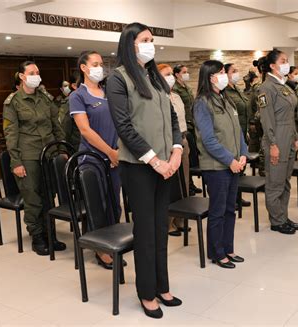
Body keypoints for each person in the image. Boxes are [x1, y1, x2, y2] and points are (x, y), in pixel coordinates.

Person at [107, 22, 182, 319]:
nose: (151, 44)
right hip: (139, 167)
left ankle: (163, 286)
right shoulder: (119, 78)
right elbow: (124, 127)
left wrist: (176, 151)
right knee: (146, 231)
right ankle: (147, 292)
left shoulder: (156, 79)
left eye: (152, 40)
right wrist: (155, 160)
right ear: (130, 44)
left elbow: (173, 120)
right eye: (145, 39)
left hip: (165, 165)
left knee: (161, 228)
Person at [3, 61, 66, 255]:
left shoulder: (45, 98)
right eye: (32, 72)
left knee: (49, 196)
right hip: (28, 155)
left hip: (48, 154)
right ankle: (37, 236)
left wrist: (61, 148)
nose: (36, 75)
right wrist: (16, 162)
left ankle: (50, 234)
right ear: (22, 76)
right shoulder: (13, 102)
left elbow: (56, 125)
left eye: (38, 72)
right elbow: (11, 134)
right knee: (33, 198)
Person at [69, 50, 123, 269]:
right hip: (93, 160)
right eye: (95, 63)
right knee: (98, 205)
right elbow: (85, 130)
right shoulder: (78, 96)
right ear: (83, 67)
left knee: (114, 203)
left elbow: (120, 122)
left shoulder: (109, 91)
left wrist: (117, 151)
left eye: (101, 63)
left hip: (115, 157)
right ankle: (100, 250)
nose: (100, 67)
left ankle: (112, 243)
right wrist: (109, 152)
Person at [194, 60, 248, 269]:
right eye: (221, 72)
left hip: (234, 163)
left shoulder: (226, 99)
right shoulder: (202, 103)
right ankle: (217, 252)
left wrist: (242, 154)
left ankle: (228, 247)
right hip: (217, 167)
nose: (224, 75)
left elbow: (238, 131)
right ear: (210, 77)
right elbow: (208, 140)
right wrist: (230, 160)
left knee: (229, 209)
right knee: (217, 211)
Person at [258, 49, 298, 235]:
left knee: (285, 181)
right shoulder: (266, 88)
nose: (286, 63)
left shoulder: (284, 86)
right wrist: (273, 144)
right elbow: (266, 119)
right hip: (276, 139)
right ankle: (276, 220)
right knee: (275, 182)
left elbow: (291, 115)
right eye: (283, 61)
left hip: (289, 137)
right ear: (273, 66)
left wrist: (296, 136)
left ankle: (283, 216)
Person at [157, 63, 191, 237]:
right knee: (170, 186)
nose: (171, 77)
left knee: (183, 183)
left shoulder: (176, 96)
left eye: (171, 74)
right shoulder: (157, 97)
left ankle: (180, 219)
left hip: (182, 141)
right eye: (166, 74)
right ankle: (168, 222)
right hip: (168, 146)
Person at [173, 64, 202, 195]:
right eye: (184, 72)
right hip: (183, 126)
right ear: (177, 74)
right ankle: (187, 185)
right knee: (185, 156)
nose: (186, 74)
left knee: (190, 156)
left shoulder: (187, 87)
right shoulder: (176, 89)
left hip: (191, 123)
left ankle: (190, 183)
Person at [224, 63, 251, 137]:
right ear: (226, 75)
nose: (237, 73)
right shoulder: (224, 92)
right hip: (233, 134)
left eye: (237, 71)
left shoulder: (238, 90)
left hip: (243, 131)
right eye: (234, 71)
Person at [59, 73, 81, 151]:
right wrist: (63, 149)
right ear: (74, 86)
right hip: (77, 146)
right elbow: (64, 128)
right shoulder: (70, 102)